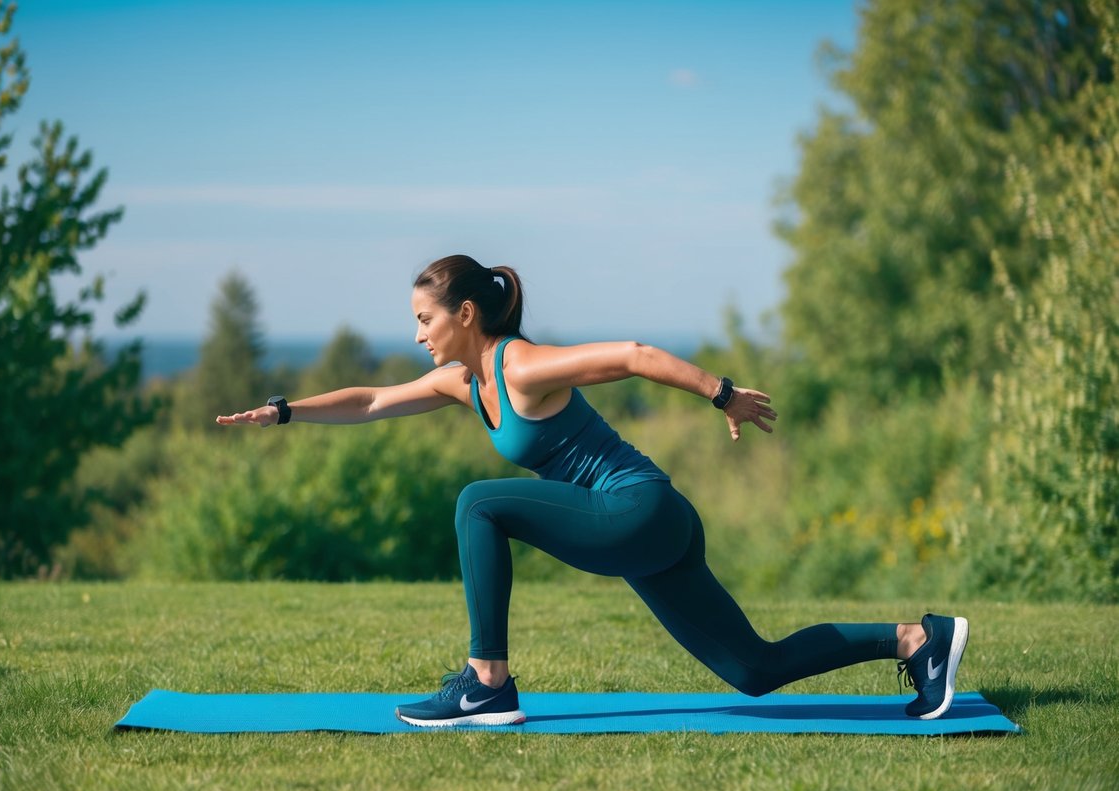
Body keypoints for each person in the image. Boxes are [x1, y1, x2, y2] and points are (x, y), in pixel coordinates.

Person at [217, 254, 969, 727]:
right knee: (753, 671)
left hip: (634, 506)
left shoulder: (521, 366)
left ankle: (487, 684)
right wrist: (283, 412)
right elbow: (371, 401)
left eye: (425, 319)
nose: (418, 335)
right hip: (650, 529)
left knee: (478, 502)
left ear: (465, 314)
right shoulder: (460, 380)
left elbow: (633, 355)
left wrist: (722, 392)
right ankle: (915, 639)